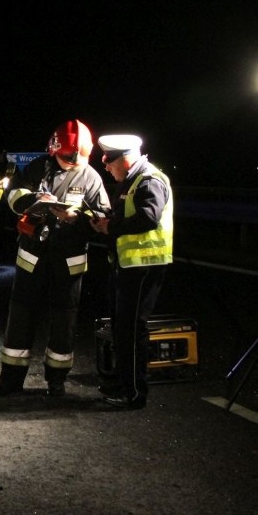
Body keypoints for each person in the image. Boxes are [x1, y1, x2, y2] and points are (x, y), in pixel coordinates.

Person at [0, 119, 111, 397]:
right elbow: (13, 196)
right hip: (33, 255)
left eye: (78, 156)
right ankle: (10, 381)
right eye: (68, 155)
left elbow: (103, 217)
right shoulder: (37, 168)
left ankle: (57, 381)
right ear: (54, 148)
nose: (73, 161)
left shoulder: (91, 177)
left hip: (69, 260)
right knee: (21, 317)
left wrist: (75, 218)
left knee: (64, 322)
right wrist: (32, 201)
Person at [90, 134, 174, 409]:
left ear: (125, 160)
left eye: (109, 162)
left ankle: (134, 394)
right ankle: (124, 383)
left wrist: (110, 227)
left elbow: (149, 217)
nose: (106, 167)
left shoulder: (149, 180)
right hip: (128, 266)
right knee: (121, 328)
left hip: (143, 267)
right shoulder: (132, 180)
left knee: (131, 330)